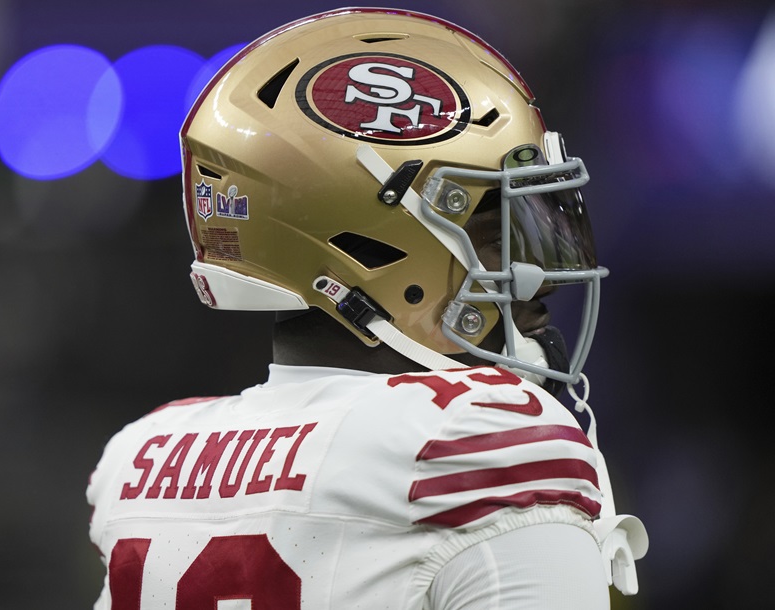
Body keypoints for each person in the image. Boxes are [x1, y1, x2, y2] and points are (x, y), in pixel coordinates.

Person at [87, 7, 647, 609]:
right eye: (498, 239)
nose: (542, 282)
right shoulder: (477, 439)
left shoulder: (143, 457)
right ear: (369, 248)